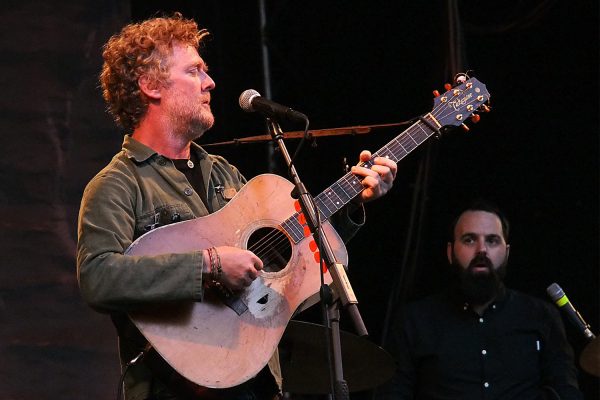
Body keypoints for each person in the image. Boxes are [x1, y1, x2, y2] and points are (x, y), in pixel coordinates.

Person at [76, 13, 397, 400]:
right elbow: (98, 277)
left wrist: (350, 206)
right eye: (194, 71)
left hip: (257, 381)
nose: (210, 82)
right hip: (172, 388)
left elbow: (291, 252)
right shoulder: (118, 184)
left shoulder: (223, 174)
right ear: (150, 85)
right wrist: (209, 264)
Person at [379, 200, 583, 400]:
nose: (481, 250)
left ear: (507, 252)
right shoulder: (414, 320)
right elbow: (393, 392)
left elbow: (567, 390)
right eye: (469, 240)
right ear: (450, 252)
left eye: (492, 240)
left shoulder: (541, 316)